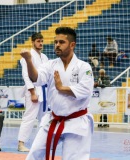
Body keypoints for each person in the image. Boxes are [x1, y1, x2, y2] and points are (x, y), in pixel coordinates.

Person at [20, 27, 94, 160]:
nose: (57, 45)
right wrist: (28, 60)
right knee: (33, 154)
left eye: (61, 42)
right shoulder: (50, 65)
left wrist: (61, 87)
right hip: (53, 119)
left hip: (76, 121)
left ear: (72, 45)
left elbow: (85, 91)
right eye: (56, 42)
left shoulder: (84, 67)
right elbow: (36, 78)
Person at [17, 32, 49, 152]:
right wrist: (32, 92)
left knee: (44, 118)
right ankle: (21, 143)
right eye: (38, 41)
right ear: (33, 42)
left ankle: (43, 143)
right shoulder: (27, 56)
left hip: (44, 91)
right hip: (33, 89)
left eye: (42, 41)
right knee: (29, 117)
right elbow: (26, 76)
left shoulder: (45, 57)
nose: (40, 43)